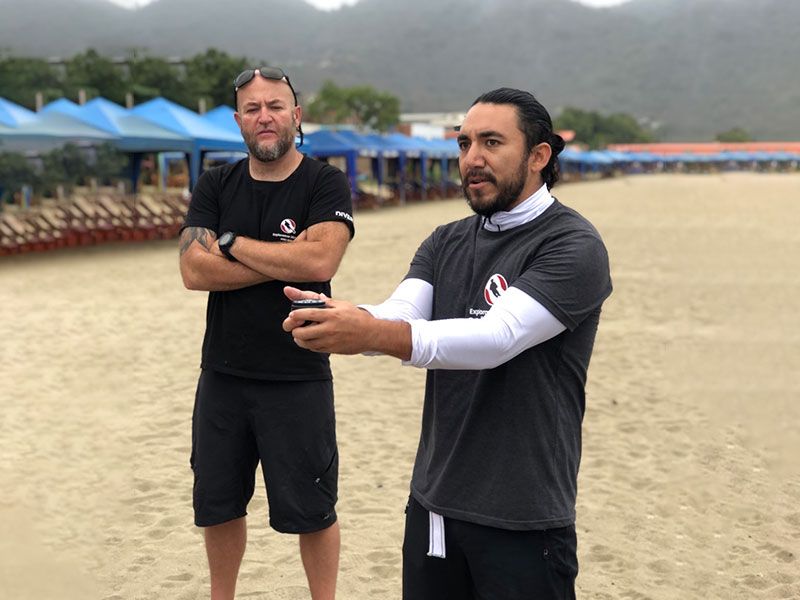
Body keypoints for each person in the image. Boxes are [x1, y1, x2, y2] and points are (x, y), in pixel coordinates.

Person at [283, 87, 612, 599]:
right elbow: (402, 313)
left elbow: (497, 338)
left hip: (523, 516)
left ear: (538, 156)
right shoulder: (445, 240)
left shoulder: (571, 244)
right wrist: (342, 316)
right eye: (464, 144)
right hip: (434, 507)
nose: (472, 159)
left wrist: (370, 332)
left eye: (491, 143)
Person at [179, 67, 354, 600]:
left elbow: (321, 259)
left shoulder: (324, 183)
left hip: (298, 371)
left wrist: (231, 243)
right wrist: (285, 259)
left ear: (295, 116)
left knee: (313, 510)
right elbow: (193, 271)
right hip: (223, 375)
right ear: (238, 121)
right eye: (252, 109)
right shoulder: (216, 183)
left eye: (275, 106)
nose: (265, 117)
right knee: (218, 504)